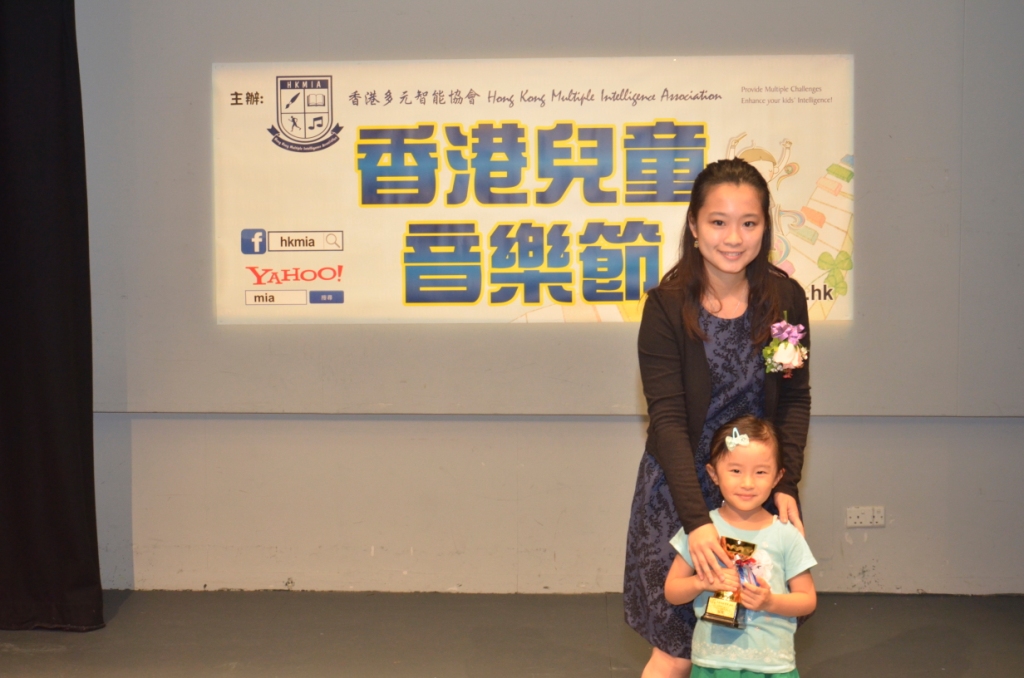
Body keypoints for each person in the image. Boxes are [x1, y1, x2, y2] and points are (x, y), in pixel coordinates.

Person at [623, 157, 811, 678]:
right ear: (693, 225)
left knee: (748, 646)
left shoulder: (785, 300)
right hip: (678, 493)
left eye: (749, 223)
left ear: (765, 227)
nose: (733, 238)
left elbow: (794, 399)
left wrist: (784, 482)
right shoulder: (665, 306)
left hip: (751, 493)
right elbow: (667, 420)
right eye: (718, 222)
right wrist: (698, 523)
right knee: (676, 650)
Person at [664, 415, 817, 677]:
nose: (747, 483)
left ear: (778, 477)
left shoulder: (786, 534)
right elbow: (672, 591)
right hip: (712, 663)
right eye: (735, 471)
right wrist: (701, 582)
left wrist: (770, 602)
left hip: (772, 666)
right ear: (714, 473)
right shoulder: (702, 531)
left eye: (761, 472)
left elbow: (807, 599)